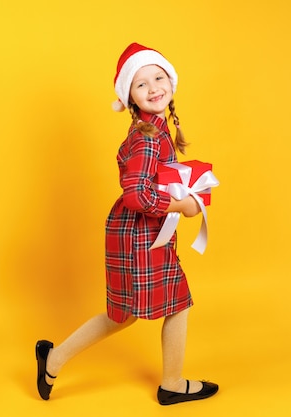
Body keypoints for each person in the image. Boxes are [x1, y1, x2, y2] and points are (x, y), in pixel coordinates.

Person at [35, 42, 218, 406]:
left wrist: (186, 186)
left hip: (136, 233)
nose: (153, 88)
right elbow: (137, 195)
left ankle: (53, 359)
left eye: (158, 77)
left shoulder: (154, 129)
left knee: (127, 313)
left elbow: (150, 183)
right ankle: (172, 384)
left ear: (170, 81)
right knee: (165, 305)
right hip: (139, 234)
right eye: (141, 84)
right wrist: (182, 204)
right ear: (130, 97)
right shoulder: (147, 138)